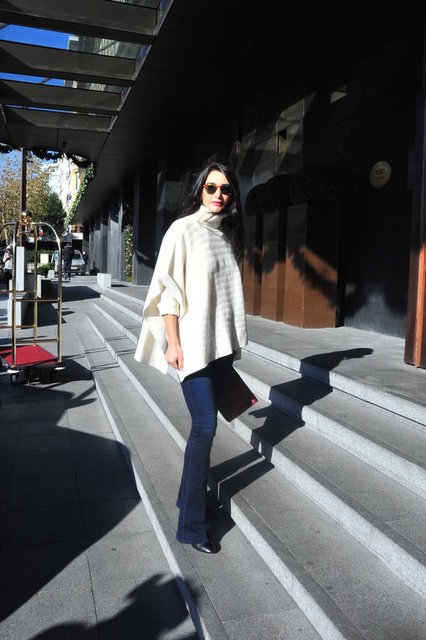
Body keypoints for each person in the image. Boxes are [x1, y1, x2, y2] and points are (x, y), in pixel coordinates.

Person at [134, 161, 247, 554]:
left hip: (218, 349)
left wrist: (229, 343)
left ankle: (189, 501)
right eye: (211, 187)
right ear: (200, 189)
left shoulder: (227, 235)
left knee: (205, 428)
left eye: (226, 189)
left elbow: (226, 297)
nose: (218, 195)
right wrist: (173, 342)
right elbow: (169, 292)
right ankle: (191, 528)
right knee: (204, 428)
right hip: (192, 347)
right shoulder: (182, 230)